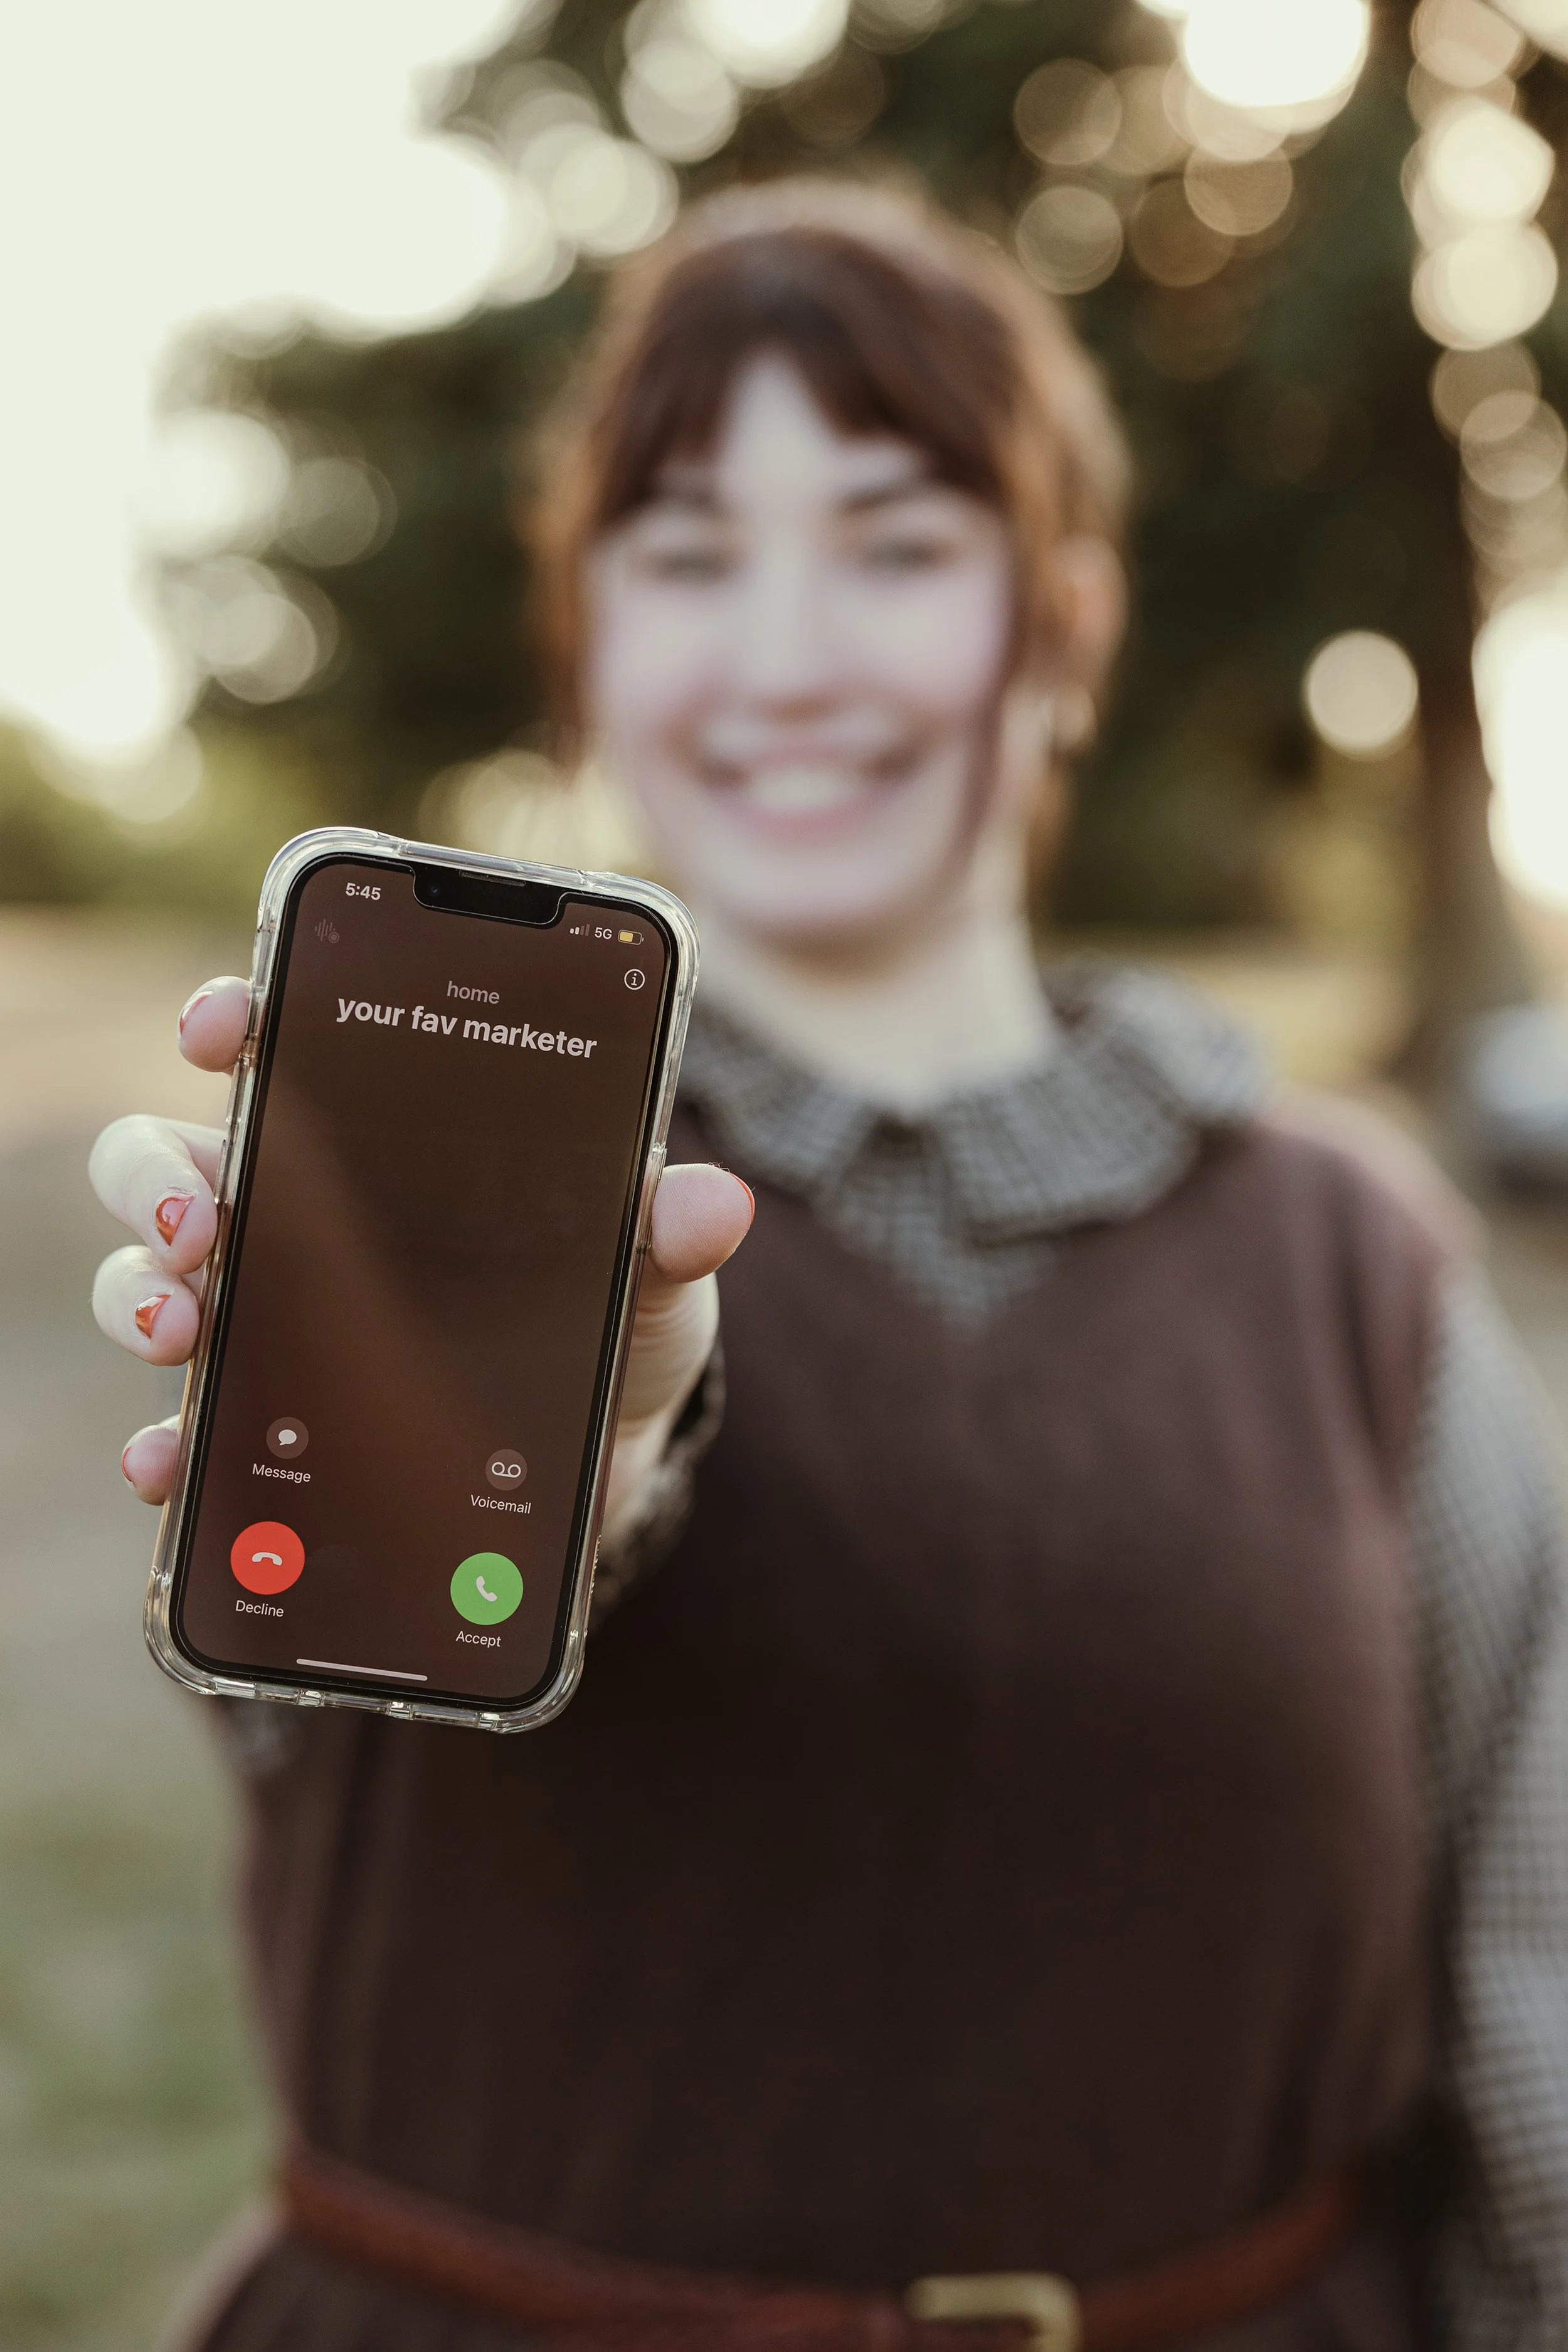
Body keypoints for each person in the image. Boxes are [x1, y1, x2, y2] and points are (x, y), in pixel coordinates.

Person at [88, 179, 1568, 2351]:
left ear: (1052, 629)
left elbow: (1530, 1981)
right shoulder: (426, 1162)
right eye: (686, 555)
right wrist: (580, 1468)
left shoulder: (1354, 1265)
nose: (786, 652)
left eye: (894, 541)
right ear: (591, 646)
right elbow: (352, 1644)